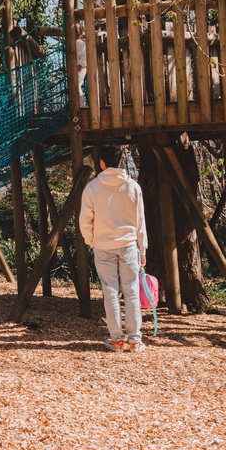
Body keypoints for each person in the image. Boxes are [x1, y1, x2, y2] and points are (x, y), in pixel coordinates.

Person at [79, 143, 148, 353]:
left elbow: (85, 220)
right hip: (128, 244)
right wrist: (142, 249)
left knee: (109, 292)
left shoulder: (92, 187)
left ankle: (116, 339)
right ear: (120, 161)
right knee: (132, 291)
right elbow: (140, 221)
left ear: (101, 163)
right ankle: (135, 340)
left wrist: (91, 240)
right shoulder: (132, 186)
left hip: (102, 244)